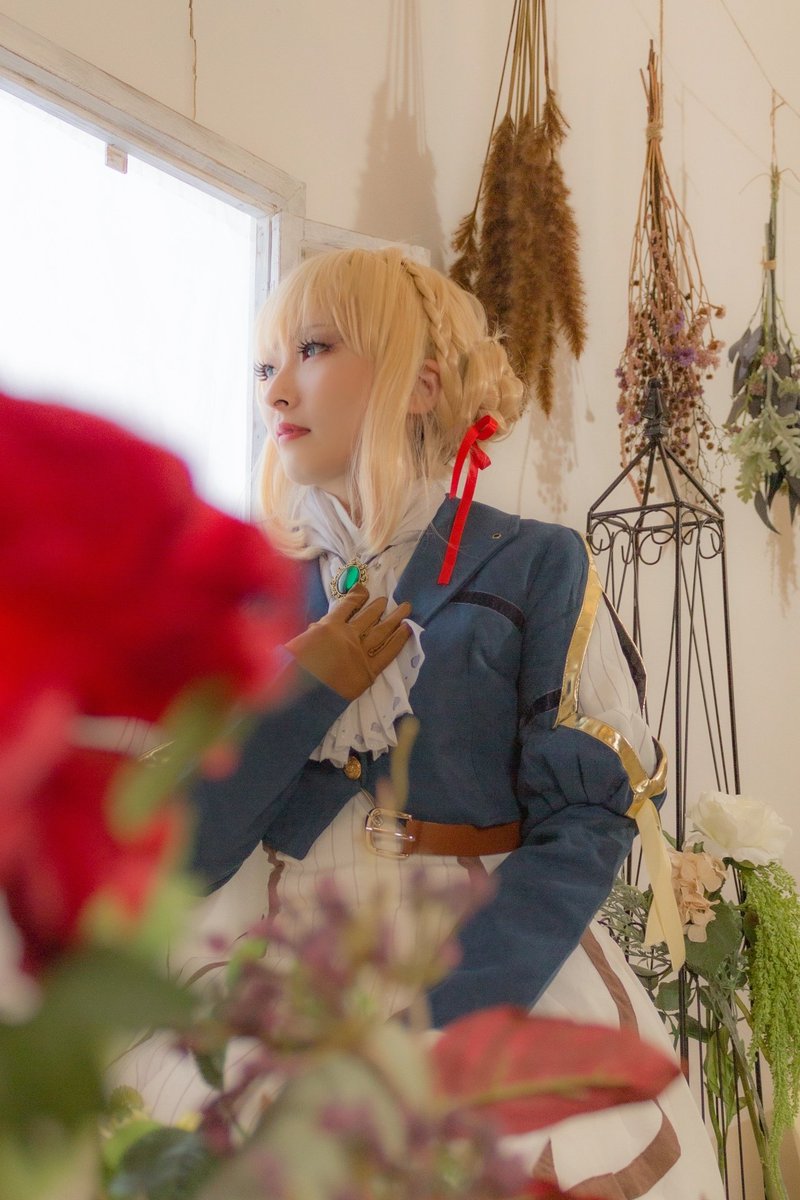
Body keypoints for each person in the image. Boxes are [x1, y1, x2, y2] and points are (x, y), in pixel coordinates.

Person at [158, 248, 723, 1197]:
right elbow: (186, 855)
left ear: (420, 384)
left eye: (313, 349)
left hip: (486, 958)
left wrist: (456, 1016)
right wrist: (303, 690)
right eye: (264, 365)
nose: (276, 390)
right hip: (284, 965)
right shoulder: (244, 589)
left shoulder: (538, 563)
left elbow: (585, 821)